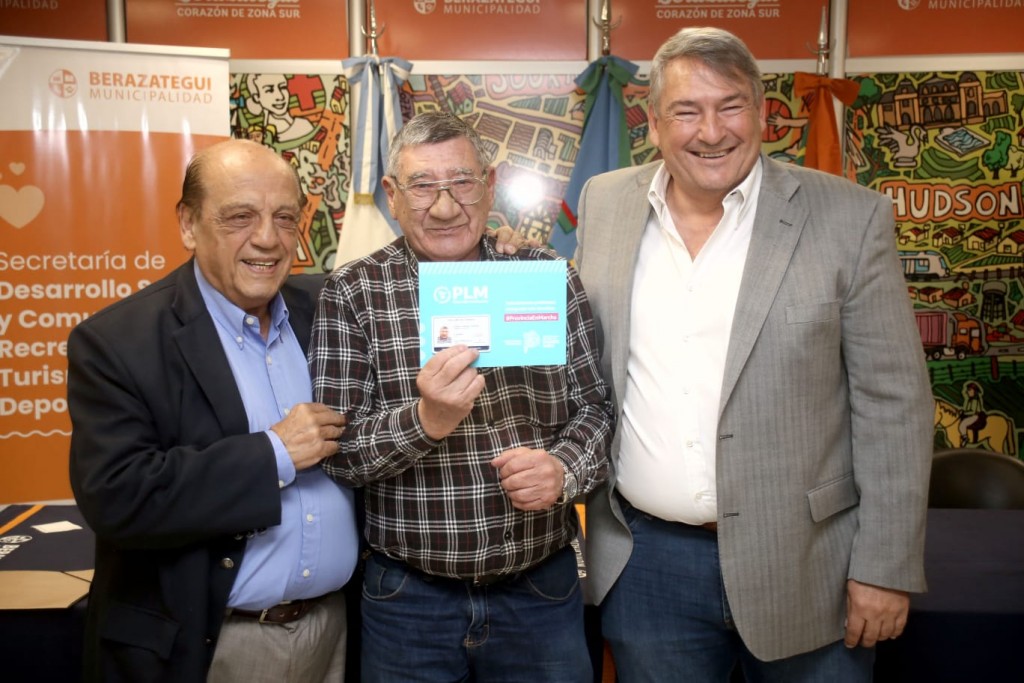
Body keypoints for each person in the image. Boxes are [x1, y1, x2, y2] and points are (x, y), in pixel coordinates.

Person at [575, 27, 934, 681]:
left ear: (764, 113)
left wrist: (884, 567)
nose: (712, 131)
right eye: (687, 110)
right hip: (647, 566)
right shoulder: (604, 203)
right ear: (653, 123)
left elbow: (895, 406)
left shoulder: (850, 219)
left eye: (731, 106)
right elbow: (581, 361)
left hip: (809, 565)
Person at [309, 112, 615, 682]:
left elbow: (595, 409)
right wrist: (426, 420)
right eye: (423, 186)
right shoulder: (353, 291)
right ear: (393, 195)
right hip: (408, 601)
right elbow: (339, 452)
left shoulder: (544, 276)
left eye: (462, 183)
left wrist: (563, 469)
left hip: (539, 592)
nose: (445, 207)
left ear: (490, 185)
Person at [67, 139, 358, 682]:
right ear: (188, 223)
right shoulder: (117, 342)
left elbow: (420, 296)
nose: (267, 238)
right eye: (240, 217)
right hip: (211, 647)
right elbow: (118, 496)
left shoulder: (332, 310)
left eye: (285, 218)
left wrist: (496, 255)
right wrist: (273, 453)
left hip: (336, 636)